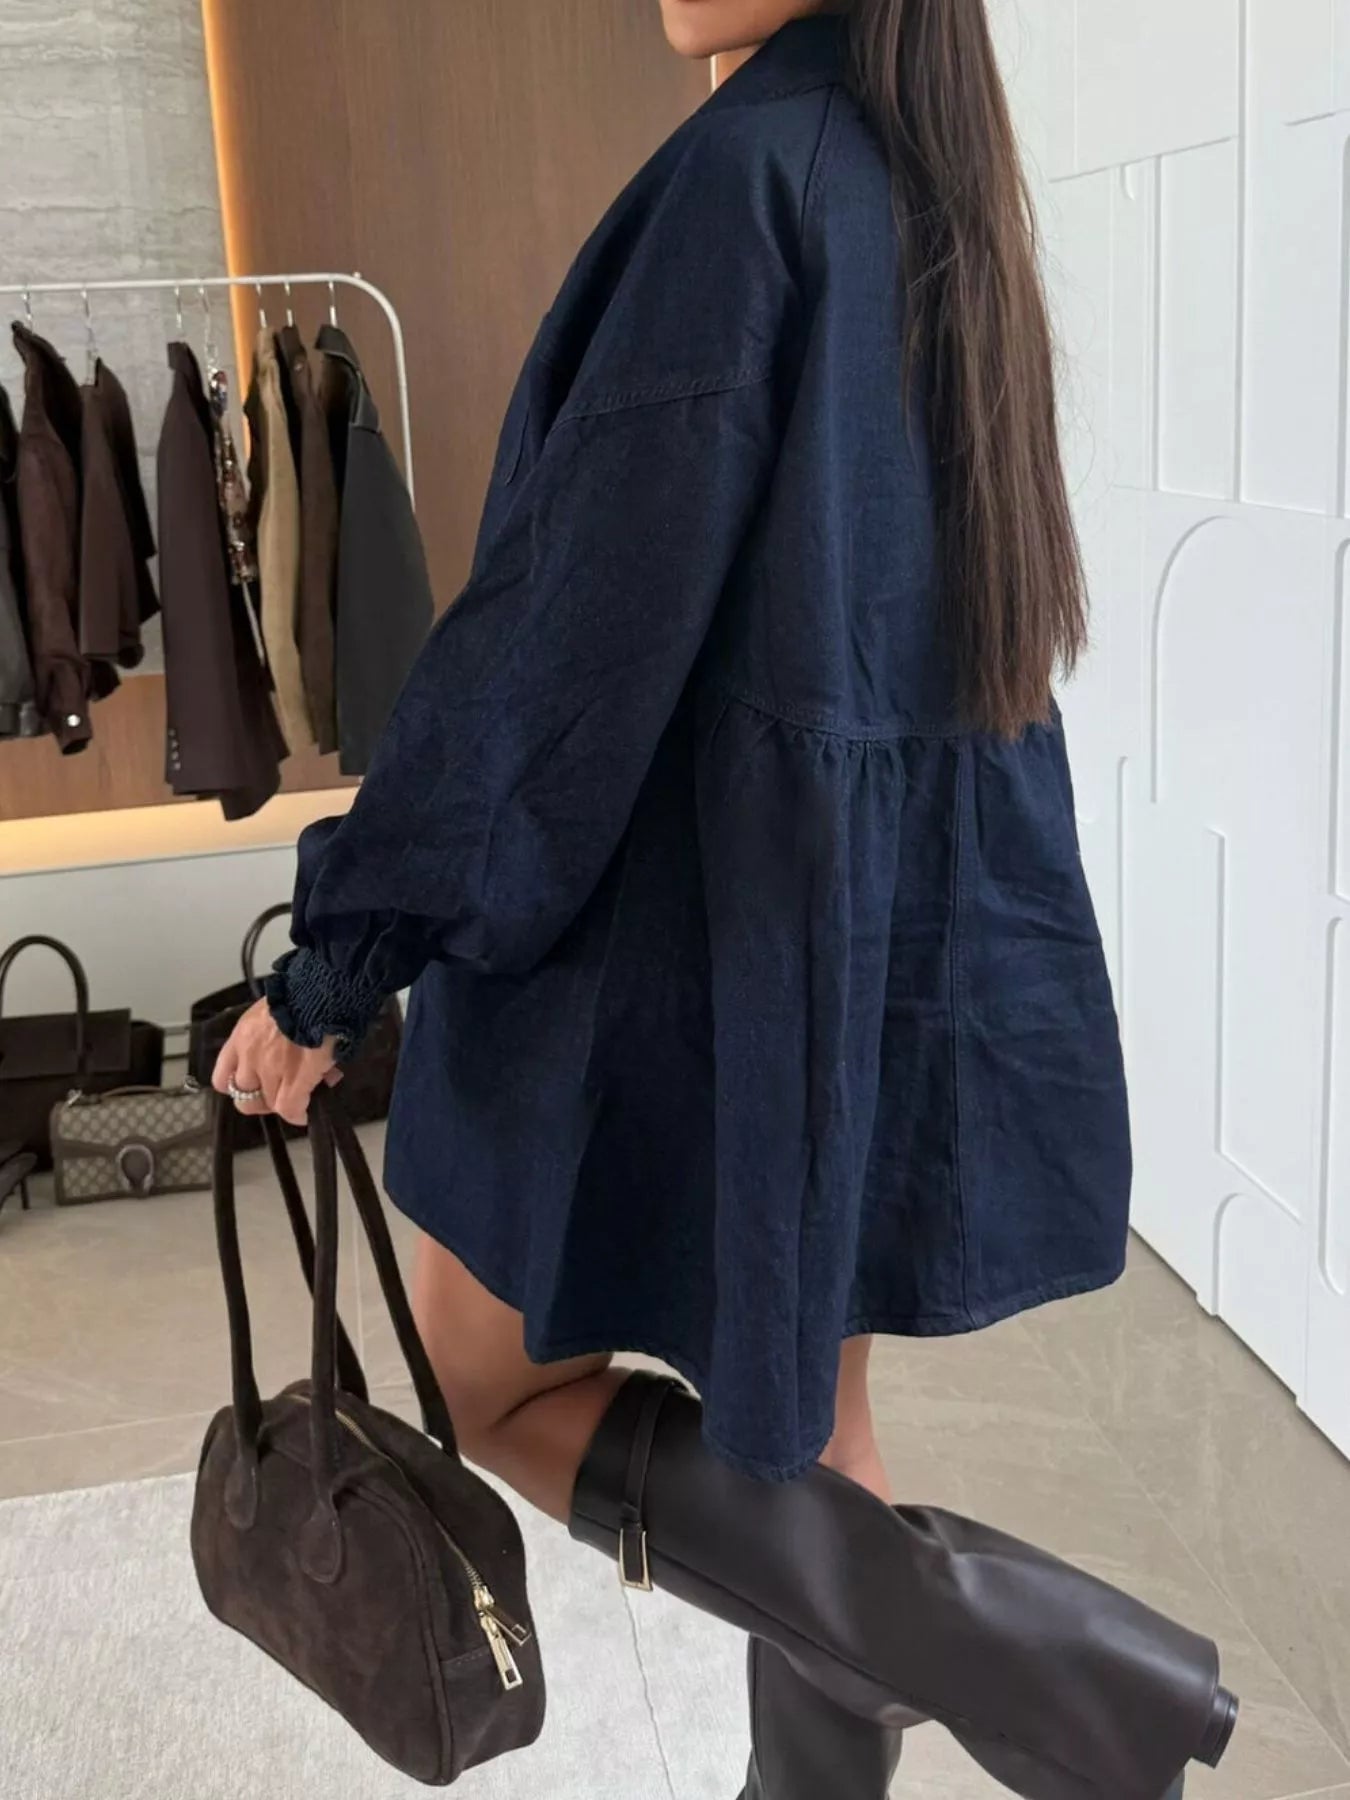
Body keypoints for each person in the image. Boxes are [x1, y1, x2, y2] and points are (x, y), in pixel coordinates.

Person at [214, 4, 1238, 1794]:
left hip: (677, 942)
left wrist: (337, 964)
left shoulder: (744, 180)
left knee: (493, 1389)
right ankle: (890, 1744)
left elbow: (556, 641)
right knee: (800, 1443)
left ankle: (1017, 1650)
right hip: (849, 944)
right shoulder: (929, 178)